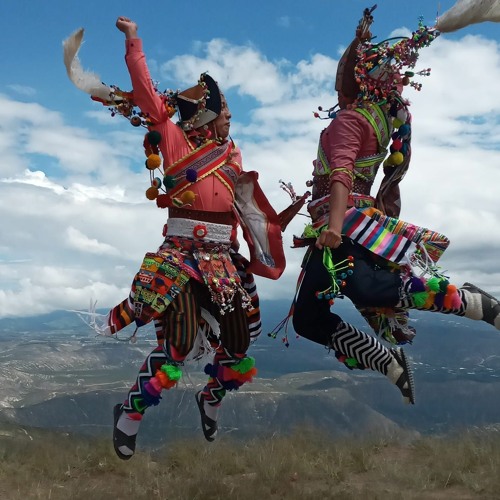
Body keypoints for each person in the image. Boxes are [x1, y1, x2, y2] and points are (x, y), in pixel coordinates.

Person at [65, 16, 291, 459]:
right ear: (206, 116)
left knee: (240, 342)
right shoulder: (174, 143)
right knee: (179, 341)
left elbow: (243, 207)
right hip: (182, 257)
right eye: (225, 111)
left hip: (223, 260)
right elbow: (149, 96)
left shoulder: (231, 155)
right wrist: (134, 43)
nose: (230, 118)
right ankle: (130, 410)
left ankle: (211, 397)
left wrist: (268, 235)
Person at [289, 6, 500, 405]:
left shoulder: (348, 121)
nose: (337, 89)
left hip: (344, 226)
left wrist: (333, 227)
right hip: (352, 224)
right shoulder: (378, 120)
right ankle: (389, 361)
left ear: (355, 83)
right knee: (307, 318)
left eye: (341, 79)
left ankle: (468, 301)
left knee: (367, 289)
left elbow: (342, 175)